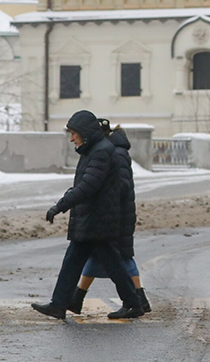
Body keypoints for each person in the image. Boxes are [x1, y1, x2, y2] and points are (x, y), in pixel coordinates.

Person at [32, 110, 144, 320]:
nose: (71, 138)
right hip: (93, 218)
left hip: (97, 219)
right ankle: (60, 304)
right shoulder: (93, 150)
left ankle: (132, 303)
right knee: (78, 261)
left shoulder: (101, 151)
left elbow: (88, 186)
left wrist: (60, 205)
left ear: (85, 133)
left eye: (74, 133)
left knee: (108, 264)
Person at [68, 121, 151, 315]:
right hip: (113, 211)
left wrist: (99, 191)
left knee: (121, 256)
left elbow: (120, 185)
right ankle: (77, 298)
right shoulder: (113, 150)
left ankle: (139, 299)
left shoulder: (115, 153)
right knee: (100, 255)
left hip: (117, 213)